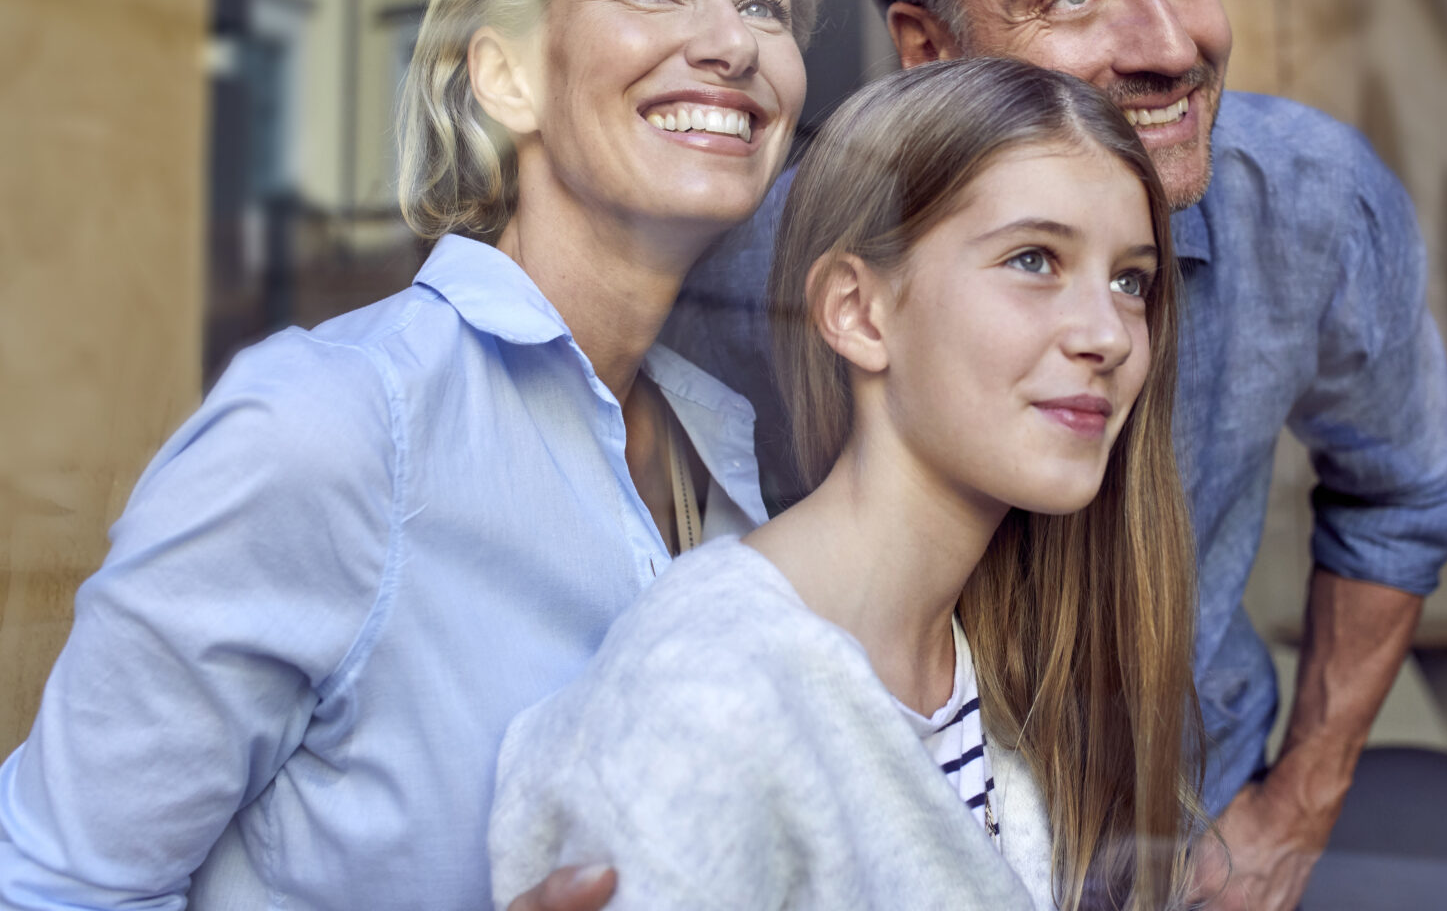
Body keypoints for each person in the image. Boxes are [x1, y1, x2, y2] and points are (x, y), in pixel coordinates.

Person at [665, 0, 1447, 910]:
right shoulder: (765, 264)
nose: (1172, 44)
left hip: (1191, 841)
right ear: (930, 53)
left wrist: (1298, 804)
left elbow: (1401, 494)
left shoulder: (1313, 206)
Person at [0, 0, 817, 911]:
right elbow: (40, 895)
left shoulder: (731, 450)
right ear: (506, 76)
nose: (733, 41)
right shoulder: (335, 424)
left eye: (764, 2)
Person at [491, 58, 1204, 911]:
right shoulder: (708, 697)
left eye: (1132, 281)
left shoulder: (993, 668)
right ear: (859, 312)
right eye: (1033, 259)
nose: (1109, 335)